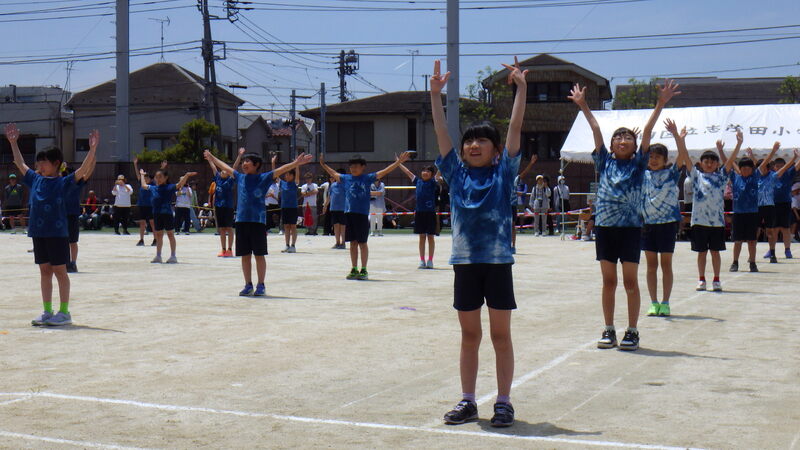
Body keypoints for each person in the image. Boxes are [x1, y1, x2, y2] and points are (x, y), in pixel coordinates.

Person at [431, 57, 527, 428]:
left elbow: (515, 127)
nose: (473, 145)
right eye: (469, 140)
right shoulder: (455, 174)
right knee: (469, 335)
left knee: (501, 335)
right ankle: (468, 400)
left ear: (495, 149)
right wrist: (436, 96)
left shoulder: (504, 172)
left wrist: (521, 89)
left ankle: (503, 402)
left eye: (482, 140)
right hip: (465, 264)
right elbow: (442, 133)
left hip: (498, 263)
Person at [570, 78, 680, 351]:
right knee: (609, 282)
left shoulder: (639, 164)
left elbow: (648, 131)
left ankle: (632, 330)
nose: (623, 140)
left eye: (628, 137)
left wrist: (660, 103)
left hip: (630, 229)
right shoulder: (604, 162)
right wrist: (583, 105)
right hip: (605, 229)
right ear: (611, 145)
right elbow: (596, 128)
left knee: (630, 282)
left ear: (635, 145)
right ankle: (608, 329)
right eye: (618, 137)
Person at [5, 123, 98, 326]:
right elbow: (20, 163)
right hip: (39, 232)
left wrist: (92, 150)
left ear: (56, 164)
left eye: (44, 162)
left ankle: (64, 312)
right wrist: (13, 143)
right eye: (38, 162)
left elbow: (82, 170)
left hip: (57, 233)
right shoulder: (35, 179)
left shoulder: (63, 182)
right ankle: (47, 310)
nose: (39, 165)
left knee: (60, 272)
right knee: (45, 271)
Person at [204, 149, 313, 296]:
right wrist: (212, 157)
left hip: (258, 222)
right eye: (243, 161)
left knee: (259, 255)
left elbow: (280, 170)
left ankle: (261, 284)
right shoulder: (240, 177)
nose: (244, 164)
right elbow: (226, 167)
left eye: (247, 161)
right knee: (245, 255)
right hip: (241, 221)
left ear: (256, 165)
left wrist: (296, 163)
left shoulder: (264, 178)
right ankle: (248, 284)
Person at [319, 152, 412, 281]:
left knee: (362, 243)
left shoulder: (367, 178)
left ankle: (363, 269)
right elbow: (333, 173)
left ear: (363, 167)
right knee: (352, 243)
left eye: (356, 166)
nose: (353, 169)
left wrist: (398, 162)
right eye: (351, 166)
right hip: (349, 214)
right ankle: (354, 268)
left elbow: (384, 171)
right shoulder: (346, 178)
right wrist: (323, 164)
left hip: (361, 215)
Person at [642, 119, 690, 318]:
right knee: (651, 266)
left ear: (665, 160)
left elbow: (683, 156)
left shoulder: (671, 174)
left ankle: (666, 302)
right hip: (647, 225)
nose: (653, 160)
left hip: (667, 225)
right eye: (651, 157)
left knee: (666, 265)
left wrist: (678, 136)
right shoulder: (642, 174)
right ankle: (653, 302)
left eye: (657, 157)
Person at [688, 136, 738, 292]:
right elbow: (685, 157)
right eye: (706, 162)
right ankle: (701, 279)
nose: (709, 164)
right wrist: (680, 139)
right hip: (699, 222)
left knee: (715, 252)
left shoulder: (721, 177)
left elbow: (730, 162)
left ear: (717, 164)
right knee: (701, 252)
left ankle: (716, 279)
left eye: (712, 162)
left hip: (716, 222)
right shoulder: (696, 176)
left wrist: (738, 144)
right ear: (701, 163)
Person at [139, 167, 196, 264]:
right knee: (159, 235)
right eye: (156, 177)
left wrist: (186, 175)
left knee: (170, 234)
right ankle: (158, 256)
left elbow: (179, 184)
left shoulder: (169, 187)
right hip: (156, 214)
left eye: (160, 177)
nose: (158, 179)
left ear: (165, 178)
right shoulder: (154, 188)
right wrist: (142, 175)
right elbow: (144, 185)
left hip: (167, 214)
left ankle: (173, 256)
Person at [725, 140, 761, 274]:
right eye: (743, 168)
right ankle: (735, 262)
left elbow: (761, 165)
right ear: (740, 169)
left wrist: (773, 151)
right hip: (739, 214)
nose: (746, 170)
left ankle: (752, 262)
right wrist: (721, 151)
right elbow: (728, 163)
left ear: (752, 169)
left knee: (752, 241)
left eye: (748, 168)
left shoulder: (755, 178)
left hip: (752, 214)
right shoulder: (735, 178)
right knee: (737, 241)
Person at [399, 163, 439, 268]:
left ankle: (430, 260)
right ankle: (422, 260)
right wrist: (398, 163)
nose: (425, 173)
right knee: (421, 237)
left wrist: (444, 161)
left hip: (430, 213)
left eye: (428, 171)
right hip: (419, 213)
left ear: (432, 174)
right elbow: (407, 172)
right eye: (423, 171)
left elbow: (439, 172)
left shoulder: (433, 182)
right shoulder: (417, 181)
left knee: (430, 237)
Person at [765, 151, 800, 260]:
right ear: (774, 167)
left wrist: (796, 157)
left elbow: (797, 165)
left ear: (785, 166)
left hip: (785, 203)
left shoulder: (789, 173)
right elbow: (760, 166)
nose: (779, 168)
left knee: (786, 228)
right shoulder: (771, 175)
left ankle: (787, 249)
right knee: (774, 229)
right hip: (773, 204)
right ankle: (771, 250)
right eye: (777, 166)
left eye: (782, 166)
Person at [64, 163, 96, 274]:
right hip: (60, 214)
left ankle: (73, 263)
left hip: (72, 214)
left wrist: (93, 160)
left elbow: (87, 174)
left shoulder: (76, 183)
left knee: (72, 241)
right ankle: (65, 262)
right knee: (63, 241)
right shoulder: (59, 181)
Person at [207, 150, 236, 257]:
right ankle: (223, 249)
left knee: (229, 228)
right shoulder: (218, 179)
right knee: (222, 229)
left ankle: (230, 249)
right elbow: (213, 168)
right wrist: (209, 158)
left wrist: (239, 155)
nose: (223, 171)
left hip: (228, 206)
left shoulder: (230, 180)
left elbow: (234, 167)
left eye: (225, 170)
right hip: (219, 206)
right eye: (222, 170)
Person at [511, 156, 537, 251]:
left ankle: (513, 246)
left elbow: (524, 173)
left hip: (512, 204)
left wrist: (531, 163)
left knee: (512, 225)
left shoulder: (515, 179)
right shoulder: (502, 178)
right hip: (504, 204)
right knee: (504, 226)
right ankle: (505, 244)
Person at [133, 158, 157, 247]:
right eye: (145, 177)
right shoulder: (141, 183)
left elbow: (158, 176)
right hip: (142, 205)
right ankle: (141, 239)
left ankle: (155, 239)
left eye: (147, 177)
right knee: (142, 223)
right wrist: (135, 164)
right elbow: (138, 175)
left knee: (152, 223)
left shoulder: (153, 185)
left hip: (150, 206)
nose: (145, 179)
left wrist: (162, 168)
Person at [279, 157, 300, 253]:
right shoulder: (282, 183)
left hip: (293, 208)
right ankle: (287, 245)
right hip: (284, 207)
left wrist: (297, 164)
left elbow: (297, 176)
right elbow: (275, 174)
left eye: (289, 174)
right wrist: (273, 163)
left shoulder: (295, 183)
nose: (286, 176)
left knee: (293, 226)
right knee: (286, 226)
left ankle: (293, 245)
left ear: (292, 176)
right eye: (286, 174)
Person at [323, 170, 347, 249]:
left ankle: (343, 243)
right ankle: (337, 242)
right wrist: (325, 206)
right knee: (336, 225)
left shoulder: (345, 184)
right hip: (334, 208)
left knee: (343, 226)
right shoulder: (333, 185)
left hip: (343, 208)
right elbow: (329, 197)